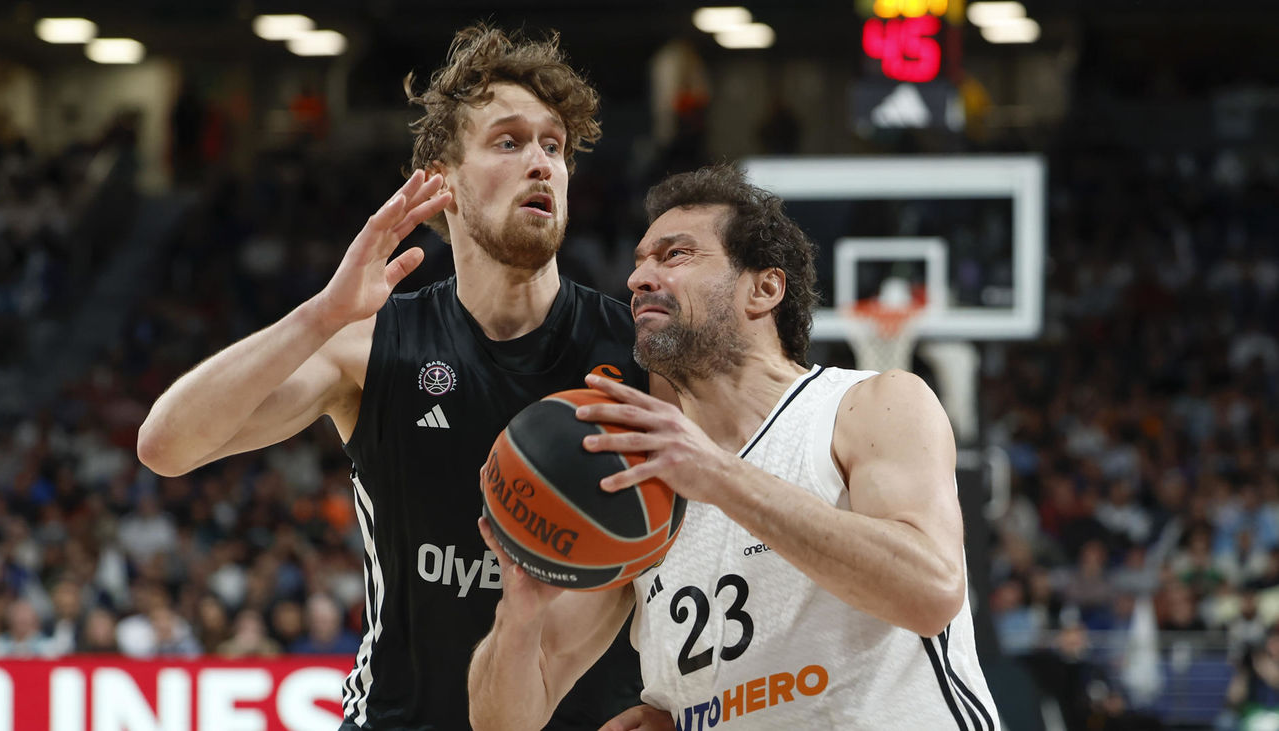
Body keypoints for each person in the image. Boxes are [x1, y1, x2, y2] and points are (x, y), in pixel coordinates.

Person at [137, 25, 648, 730]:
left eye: (554, 145)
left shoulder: (639, 352)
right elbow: (166, 444)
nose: (541, 163)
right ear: (443, 181)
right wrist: (317, 316)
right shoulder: (371, 345)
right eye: (509, 141)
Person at [468, 164, 1000, 730]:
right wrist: (520, 613)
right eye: (640, 261)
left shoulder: (869, 405)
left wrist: (721, 478)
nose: (639, 278)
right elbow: (503, 723)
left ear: (764, 289)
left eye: (675, 255)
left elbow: (931, 591)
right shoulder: (644, 485)